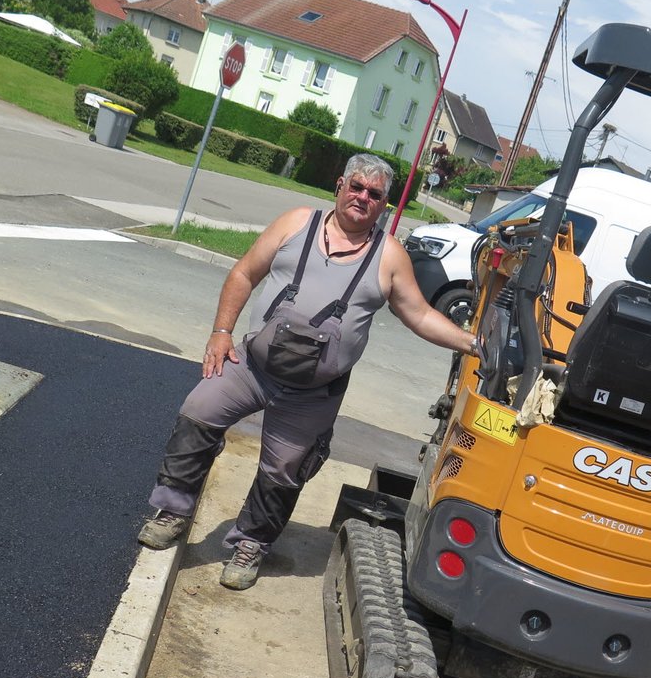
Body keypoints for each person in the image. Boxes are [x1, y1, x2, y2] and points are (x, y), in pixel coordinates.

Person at [137, 153, 476, 590]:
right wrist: (221, 332)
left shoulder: (389, 255)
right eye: (356, 187)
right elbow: (243, 273)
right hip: (251, 367)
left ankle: (250, 543)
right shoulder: (296, 223)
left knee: (285, 471)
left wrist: (473, 345)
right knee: (197, 412)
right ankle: (173, 510)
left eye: (374, 194)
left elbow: (420, 314)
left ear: (385, 206)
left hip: (314, 393)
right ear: (339, 185)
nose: (362, 198)